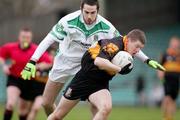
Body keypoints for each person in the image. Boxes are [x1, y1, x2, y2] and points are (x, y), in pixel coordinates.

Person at [21, 0, 165, 117]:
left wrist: (146, 59)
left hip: (87, 66)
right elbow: (48, 40)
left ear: (98, 11)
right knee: (46, 103)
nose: (89, 16)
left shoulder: (106, 26)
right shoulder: (67, 21)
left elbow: (127, 42)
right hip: (64, 63)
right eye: (86, 12)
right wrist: (32, 61)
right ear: (81, 9)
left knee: (98, 106)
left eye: (93, 13)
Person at [47, 29, 165, 120]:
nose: (138, 50)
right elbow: (99, 62)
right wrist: (118, 68)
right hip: (84, 79)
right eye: (137, 47)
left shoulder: (127, 47)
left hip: (100, 83)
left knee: (105, 108)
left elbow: (135, 51)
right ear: (128, 40)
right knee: (57, 116)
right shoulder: (114, 45)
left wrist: (147, 60)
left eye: (140, 48)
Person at [0, 28, 52, 120]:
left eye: (28, 37)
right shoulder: (11, 47)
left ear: (30, 38)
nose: (25, 39)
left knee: (23, 111)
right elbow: (1, 55)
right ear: (19, 37)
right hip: (14, 79)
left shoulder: (36, 50)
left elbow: (48, 63)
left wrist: (37, 66)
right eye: (23, 37)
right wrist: (4, 65)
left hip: (29, 81)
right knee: (10, 104)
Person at [157, 36, 180, 120]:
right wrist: (160, 74)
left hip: (176, 80)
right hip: (167, 78)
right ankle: (165, 116)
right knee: (167, 97)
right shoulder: (165, 54)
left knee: (173, 99)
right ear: (170, 44)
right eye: (173, 43)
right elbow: (160, 65)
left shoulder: (179, 55)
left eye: (176, 43)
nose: (175, 45)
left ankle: (170, 117)